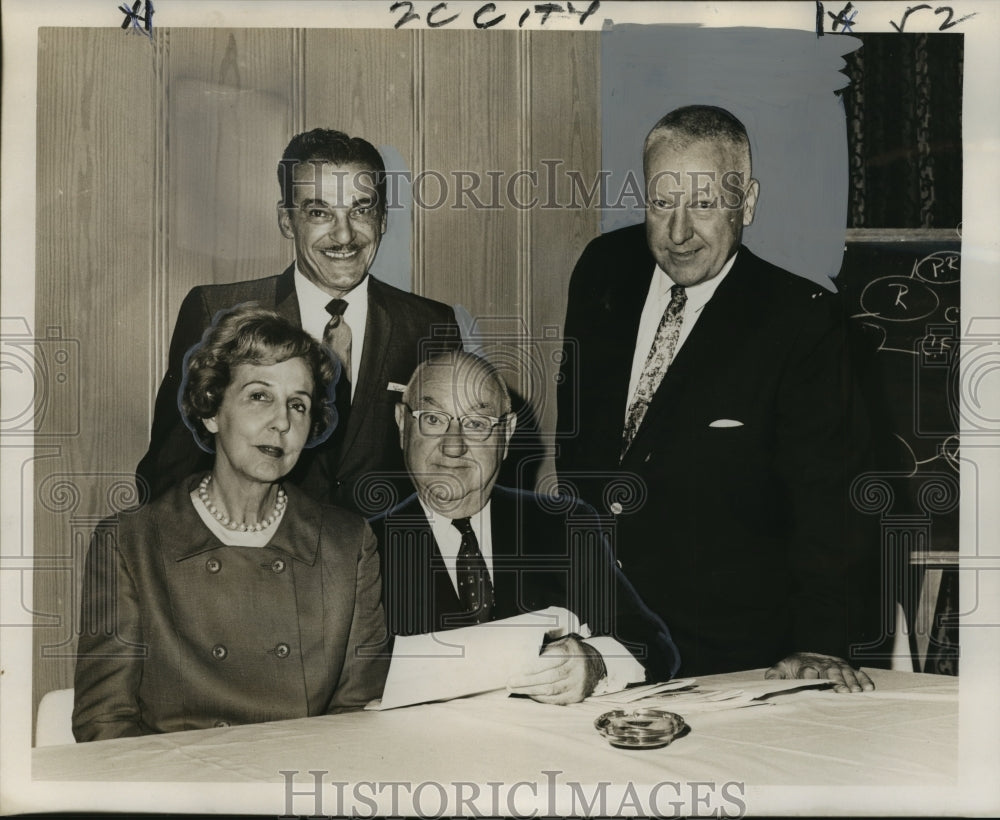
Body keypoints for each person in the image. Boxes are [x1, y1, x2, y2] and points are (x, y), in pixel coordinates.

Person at [556, 105, 876, 691]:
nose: (678, 232)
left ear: (746, 203)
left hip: (735, 654)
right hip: (598, 638)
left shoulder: (803, 323)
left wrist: (822, 643)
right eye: (661, 203)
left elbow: (831, 503)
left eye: (704, 204)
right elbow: (579, 447)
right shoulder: (603, 269)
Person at [73, 306, 389, 740]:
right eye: (260, 396)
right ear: (210, 410)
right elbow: (104, 725)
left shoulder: (348, 544)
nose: (282, 422)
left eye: (298, 405)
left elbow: (356, 719)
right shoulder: (131, 543)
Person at [136, 128, 461, 515]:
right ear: (287, 221)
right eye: (320, 212)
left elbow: (448, 466)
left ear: (383, 218)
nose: (344, 235)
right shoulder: (217, 309)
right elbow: (169, 471)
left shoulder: (429, 325)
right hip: (256, 562)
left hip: (384, 566)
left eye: (360, 210)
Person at [368, 351, 680, 705]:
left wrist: (593, 665)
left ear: (507, 433)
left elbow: (652, 646)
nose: (453, 445)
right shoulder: (360, 547)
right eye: (434, 419)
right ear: (401, 424)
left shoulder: (562, 526)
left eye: (475, 423)